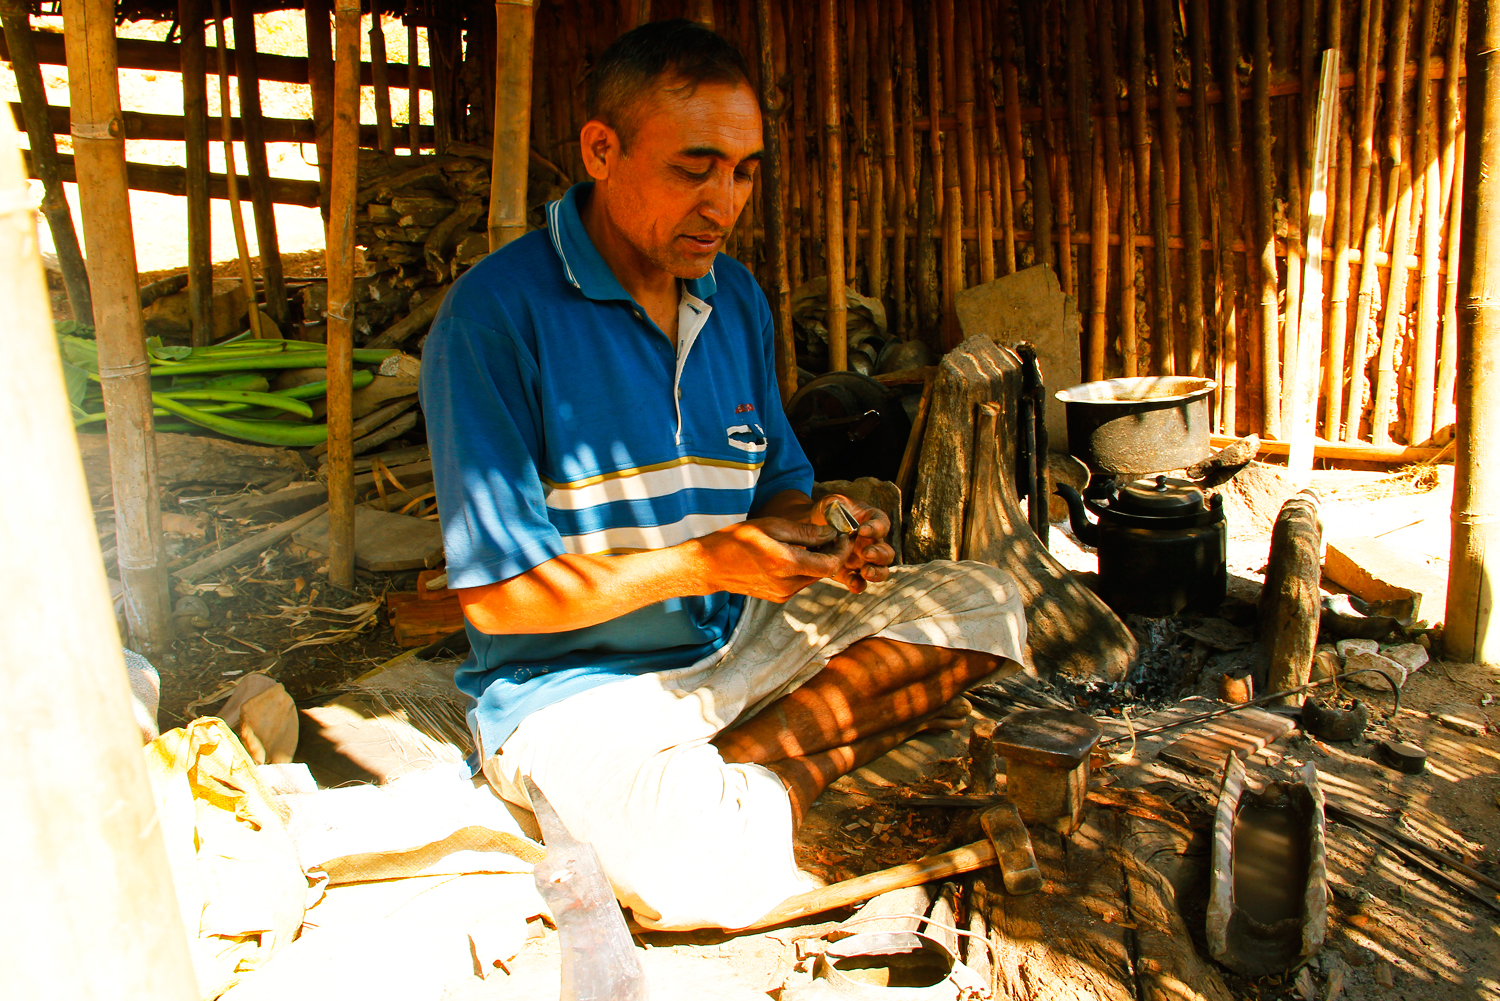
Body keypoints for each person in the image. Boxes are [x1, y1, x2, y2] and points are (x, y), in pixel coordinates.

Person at [419, 18, 1026, 931]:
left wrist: (820, 533)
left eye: (743, 170)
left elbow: (778, 482)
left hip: (740, 640)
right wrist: (708, 562)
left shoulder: (733, 297)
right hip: (572, 690)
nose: (724, 201)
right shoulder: (493, 319)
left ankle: (749, 772)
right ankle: (751, 781)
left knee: (988, 601)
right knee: (683, 851)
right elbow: (500, 602)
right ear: (601, 149)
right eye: (693, 167)